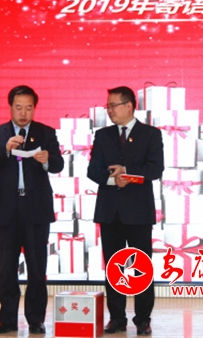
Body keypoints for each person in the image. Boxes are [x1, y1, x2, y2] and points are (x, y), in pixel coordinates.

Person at [0, 85, 64, 335]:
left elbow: (58, 164)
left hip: (36, 209)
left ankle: (36, 320)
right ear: (10, 108)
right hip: (6, 210)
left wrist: (47, 160)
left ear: (34, 108)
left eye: (28, 108)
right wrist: (4, 149)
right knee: (7, 269)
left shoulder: (46, 132)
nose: (23, 113)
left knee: (36, 268)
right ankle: (7, 320)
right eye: (18, 108)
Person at [87, 86, 164, 336]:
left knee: (141, 267)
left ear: (129, 106)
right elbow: (93, 171)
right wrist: (113, 179)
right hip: (110, 212)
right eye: (107, 106)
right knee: (114, 267)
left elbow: (155, 169)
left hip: (138, 213)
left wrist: (127, 173)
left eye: (113, 105)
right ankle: (117, 318)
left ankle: (142, 319)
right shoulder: (103, 135)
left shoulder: (150, 134)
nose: (109, 110)